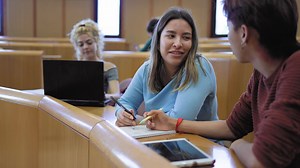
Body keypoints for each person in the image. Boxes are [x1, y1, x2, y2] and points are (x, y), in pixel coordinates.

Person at [144, 0, 300, 167]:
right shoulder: (261, 73)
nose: (228, 36)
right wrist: (171, 123)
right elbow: (231, 127)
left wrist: (238, 145)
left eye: (228, 28)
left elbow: (260, 162)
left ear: (243, 33)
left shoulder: (295, 70)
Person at [115, 7, 218, 127]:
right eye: (171, 36)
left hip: (198, 144)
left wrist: (138, 120)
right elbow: (125, 102)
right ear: (158, 41)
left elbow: (177, 120)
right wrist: (122, 114)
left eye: (186, 37)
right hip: (158, 141)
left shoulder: (199, 67)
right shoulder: (147, 69)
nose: (178, 44)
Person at [69, 18, 120, 100]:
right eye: (81, 44)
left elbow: (116, 95)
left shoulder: (109, 67)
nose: (85, 47)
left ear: (97, 42)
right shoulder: (73, 68)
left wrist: (100, 96)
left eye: (89, 43)